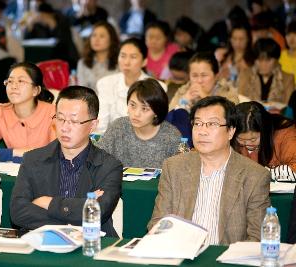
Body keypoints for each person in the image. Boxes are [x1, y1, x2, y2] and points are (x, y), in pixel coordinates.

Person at [148, 96, 271, 245]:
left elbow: (257, 238)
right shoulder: (173, 167)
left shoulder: (255, 176)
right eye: (198, 123)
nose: (202, 131)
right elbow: (158, 223)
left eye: (212, 124)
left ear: (231, 131)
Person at [10, 86, 122, 237]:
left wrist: (48, 203)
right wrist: (73, 222)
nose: (64, 128)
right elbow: (18, 212)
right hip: (42, 244)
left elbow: (98, 213)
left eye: (74, 121)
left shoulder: (109, 166)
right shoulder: (33, 159)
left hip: (91, 246)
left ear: (93, 125)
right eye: (60, 118)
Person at [0, 62, 56, 161]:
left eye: (21, 81)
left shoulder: (53, 112)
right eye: (10, 81)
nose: (14, 86)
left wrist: (11, 154)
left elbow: (56, 153)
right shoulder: (1, 111)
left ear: (36, 90)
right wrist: (14, 153)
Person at [97, 78, 181, 168]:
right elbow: (97, 159)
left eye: (144, 109)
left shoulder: (171, 136)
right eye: (132, 105)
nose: (136, 114)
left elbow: (180, 173)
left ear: (157, 112)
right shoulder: (118, 127)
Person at [96, 37, 167, 134]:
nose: (126, 62)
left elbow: (156, 124)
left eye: (133, 57)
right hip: (110, 139)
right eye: (123, 56)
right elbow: (101, 124)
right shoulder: (105, 83)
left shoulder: (159, 87)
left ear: (144, 61)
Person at [232, 101, 296, 181]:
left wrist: (263, 173)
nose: (247, 145)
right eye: (241, 139)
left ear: (265, 130)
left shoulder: (285, 134)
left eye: (253, 139)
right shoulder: (230, 137)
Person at [169, 52, 239, 112]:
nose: (199, 80)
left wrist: (206, 99)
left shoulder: (228, 93)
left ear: (216, 76)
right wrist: (183, 101)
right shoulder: (183, 91)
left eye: (204, 75)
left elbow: (230, 119)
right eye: (195, 76)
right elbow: (168, 121)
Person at [238, 38, 294, 105]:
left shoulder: (287, 79)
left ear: (276, 60)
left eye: (268, 60)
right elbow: (239, 102)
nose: (263, 64)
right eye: (259, 60)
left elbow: (288, 110)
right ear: (255, 60)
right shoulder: (245, 75)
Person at [23, 3, 79, 69]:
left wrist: (52, 24)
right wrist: (29, 27)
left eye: (44, 16)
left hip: (63, 55)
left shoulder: (61, 20)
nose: (42, 19)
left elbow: (64, 41)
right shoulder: (37, 24)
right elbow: (26, 40)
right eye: (41, 17)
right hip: (42, 56)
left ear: (51, 15)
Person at [77, 21, 119, 89]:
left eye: (102, 36)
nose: (96, 40)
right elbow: (81, 91)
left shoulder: (119, 63)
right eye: (94, 35)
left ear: (111, 40)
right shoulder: (83, 63)